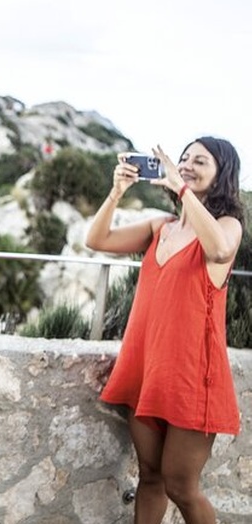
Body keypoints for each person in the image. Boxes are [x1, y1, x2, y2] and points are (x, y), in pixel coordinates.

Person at [85, 137, 244, 524]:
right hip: (150, 372)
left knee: (182, 487)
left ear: (222, 174)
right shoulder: (162, 226)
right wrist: (116, 192)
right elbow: (96, 240)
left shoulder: (227, 227)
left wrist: (181, 186)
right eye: (184, 158)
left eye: (200, 161)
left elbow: (221, 251)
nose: (187, 164)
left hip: (194, 377)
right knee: (151, 477)